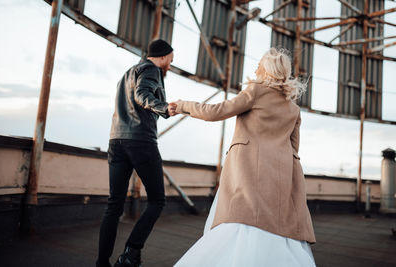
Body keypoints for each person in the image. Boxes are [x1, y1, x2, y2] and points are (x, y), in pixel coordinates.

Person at [173, 47, 316, 266]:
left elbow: (216, 111)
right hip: (281, 175)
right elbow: (294, 147)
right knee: (276, 225)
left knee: (239, 220)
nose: (255, 67)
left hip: (248, 170)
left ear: (266, 69)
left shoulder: (256, 90)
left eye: (259, 62)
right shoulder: (293, 108)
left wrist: (183, 105)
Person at [96, 39, 178, 267]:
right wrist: (164, 107)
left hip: (116, 140)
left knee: (114, 205)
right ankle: (131, 254)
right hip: (140, 141)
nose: (170, 65)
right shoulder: (152, 70)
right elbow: (142, 95)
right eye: (170, 60)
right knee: (157, 200)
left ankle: (102, 263)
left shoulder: (126, 74)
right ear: (163, 56)